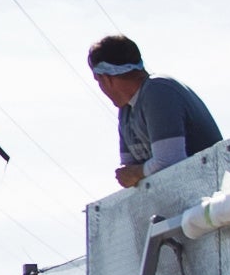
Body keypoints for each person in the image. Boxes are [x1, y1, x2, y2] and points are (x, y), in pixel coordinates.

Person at [88, 33, 221, 188]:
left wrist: (138, 172)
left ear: (105, 78)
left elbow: (170, 161)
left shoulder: (157, 90)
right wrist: (137, 172)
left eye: (98, 81)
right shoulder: (126, 111)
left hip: (212, 194)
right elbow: (127, 175)